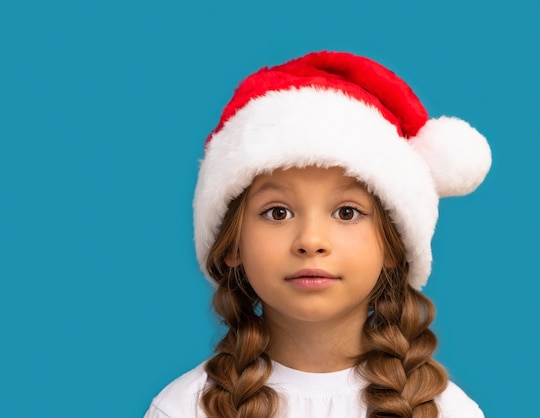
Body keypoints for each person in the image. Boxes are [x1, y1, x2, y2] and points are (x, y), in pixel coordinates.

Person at [144, 51, 491, 418]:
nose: (311, 241)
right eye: (278, 213)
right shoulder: (184, 409)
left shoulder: (449, 411)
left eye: (347, 213)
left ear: (394, 246)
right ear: (233, 246)